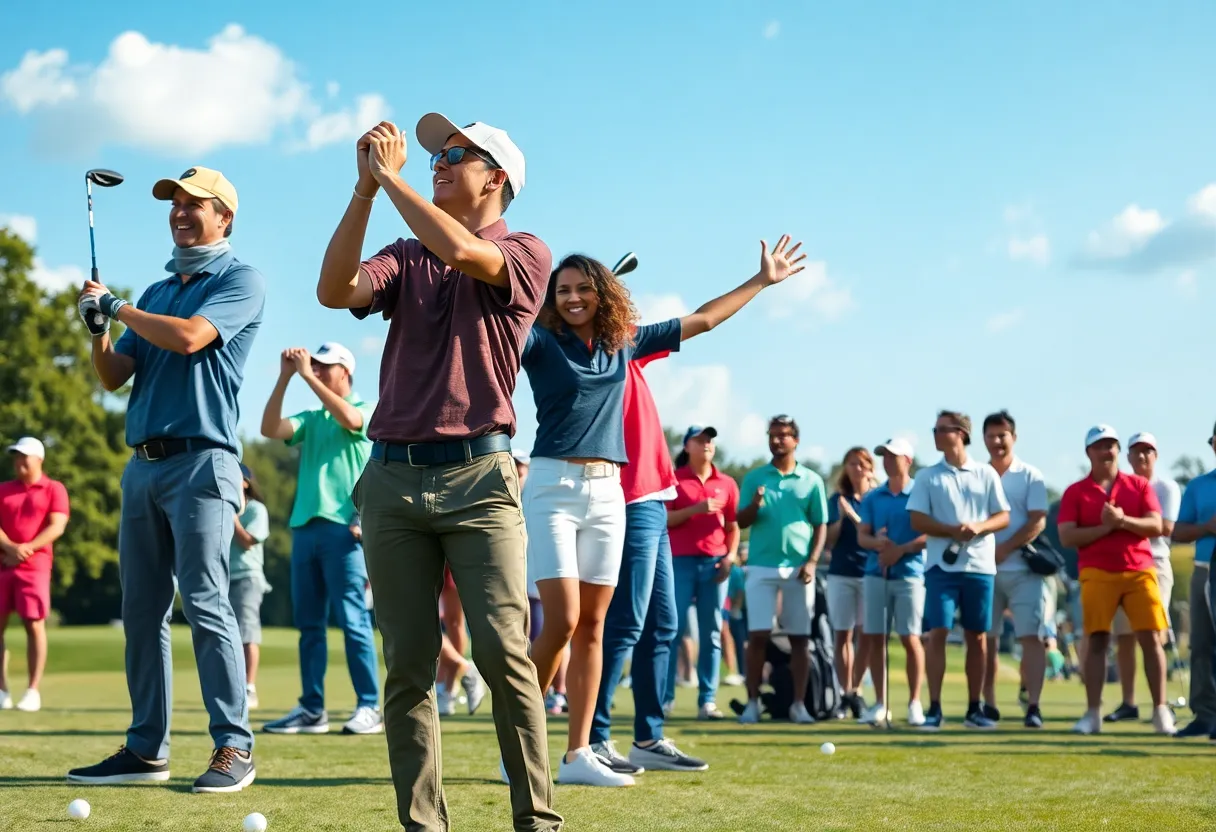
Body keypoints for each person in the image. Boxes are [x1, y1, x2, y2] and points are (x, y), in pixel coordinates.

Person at [315, 113, 561, 831]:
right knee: (408, 667)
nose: (439, 162)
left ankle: (536, 820)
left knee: (502, 653)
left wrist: (388, 176)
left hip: (479, 481)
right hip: (391, 479)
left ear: (499, 178)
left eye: (458, 154)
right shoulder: (405, 250)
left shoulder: (526, 249)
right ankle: (424, 825)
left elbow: (462, 250)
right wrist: (364, 192)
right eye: (435, 156)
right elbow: (336, 290)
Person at [522, 238, 804, 786]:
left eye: (583, 288)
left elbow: (702, 320)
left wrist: (760, 281)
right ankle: (520, 740)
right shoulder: (538, 340)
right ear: (550, 299)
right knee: (561, 620)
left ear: (603, 294)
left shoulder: (624, 343)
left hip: (610, 493)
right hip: (553, 485)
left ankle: (579, 754)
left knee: (596, 626)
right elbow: (493, 325)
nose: (574, 298)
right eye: (563, 291)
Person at [70, 166, 263, 792]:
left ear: (225, 217)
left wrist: (117, 306)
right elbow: (112, 376)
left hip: (203, 463)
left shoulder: (240, 280)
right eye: (174, 204)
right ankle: (145, 748)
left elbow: (188, 340)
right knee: (142, 610)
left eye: (195, 204)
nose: (180, 212)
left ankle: (234, 747)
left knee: (205, 600)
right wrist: (100, 330)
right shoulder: (154, 293)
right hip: (143, 467)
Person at [591, 353, 708, 777]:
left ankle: (648, 739)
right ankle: (595, 737)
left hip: (657, 500)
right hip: (629, 500)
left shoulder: (627, 350)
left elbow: (697, 323)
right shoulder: (595, 355)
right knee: (627, 623)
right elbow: (702, 321)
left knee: (663, 624)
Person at [260, 342, 382, 736]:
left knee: (352, 620)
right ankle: (312, 709)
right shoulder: (312, 418)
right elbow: (269, 428)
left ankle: (369, 706)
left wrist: (306, 376)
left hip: (345, 530)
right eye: (315, 365)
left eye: (324, 366)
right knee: (309, 625)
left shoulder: (367, 408)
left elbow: (348, 419)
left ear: (345, 372)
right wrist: (284, 377)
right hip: (305, 528)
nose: (315, 370)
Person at [1057, 425, 1175, 735]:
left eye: (1111, 445)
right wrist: (1105, 528)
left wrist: (1122, 520)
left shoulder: (1138, 485)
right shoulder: (1075, 491)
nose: (1107, 451)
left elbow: (1155, 525)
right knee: (1097, 640)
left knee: (1151, 638)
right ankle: (1093, 713)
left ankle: (1161, 711)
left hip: (1139, 569)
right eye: (1100, 446)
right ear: (1089, 452)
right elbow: (1067, 536)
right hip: (1096, 571)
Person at [907, 410, 1010, 731]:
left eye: (941, 429)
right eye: (935, 429)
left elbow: (1002, 516)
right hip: (940, 568)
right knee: (936, 633)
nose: (935, 434)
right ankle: (935, 708)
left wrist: (978, 527)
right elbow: (917, 520)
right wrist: (952, 529)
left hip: (979, 567)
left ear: (961, 433)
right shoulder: (927, 476)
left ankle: (973, 709)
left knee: (977, 637)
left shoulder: (985, 473)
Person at [736, 415, 829, 726]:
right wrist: (755, 503)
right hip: (761, 566)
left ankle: (799, 705)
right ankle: (751, 702)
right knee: (758, 636)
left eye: (784, 436)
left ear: (795, 440)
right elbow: (742, 521)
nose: (777, 441)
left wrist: (813, 561)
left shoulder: (812, 479)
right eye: (772, 435)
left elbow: (820, 525)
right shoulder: (755, 477)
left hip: (799, 568)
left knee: (800, 639)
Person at [979, 411, 1051, 729]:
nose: (997, 441)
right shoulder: (976, 474)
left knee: (1031, 637)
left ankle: (1033, 706)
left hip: (1024, 570)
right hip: (982, 570)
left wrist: (1005, 549)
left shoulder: (1030, 474)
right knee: (984, 639)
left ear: (1014, 437)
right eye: (991, 436)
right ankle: (988, 704)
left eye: (1002, 435)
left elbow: (1038, 519)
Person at [665, 425, 741, 721]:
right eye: (700, 440)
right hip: (680, 562)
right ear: (687, 447)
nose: (707, 444)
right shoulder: (674, 479)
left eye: (710, 440)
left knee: (711, 633)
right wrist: (696, 509)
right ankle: (665, 698)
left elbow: (733, 527)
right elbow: (667, 518)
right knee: (673, 630)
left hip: (715, 564)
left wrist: (730, 557)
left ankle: (707, 701)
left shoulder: (727, 483)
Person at [1104, 432, 1180, 724]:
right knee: (1123, 637)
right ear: (1128, 456)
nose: (1142, 457)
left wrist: (1123, 522)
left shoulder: (1166, 487)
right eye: (1136, 452)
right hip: (1123, 565)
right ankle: (1128, 702)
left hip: (1156, 565)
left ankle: (1159, 705)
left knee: (1152, 635)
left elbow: (1165, 527)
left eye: (1148, 451)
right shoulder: (1120, 486)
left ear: (1156, 456)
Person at [856, 438, 927, 727]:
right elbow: (863, 536)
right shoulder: (873, 497)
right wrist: (879, 544)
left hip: (910, 574)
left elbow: (929, 535)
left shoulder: (921, 494)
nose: (886, 461)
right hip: (876, 573)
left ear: (908, 460)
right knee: (875, 637)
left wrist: (900, 549)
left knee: (910, 638)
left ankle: (914, 703)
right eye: (884, 456)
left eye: (893, 456)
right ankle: (881, 703)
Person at [0, 437, 69, 713]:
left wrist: (27, 548)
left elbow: (57, 525)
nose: (19, 462)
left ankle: (32, 691)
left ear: (39, 459)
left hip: (36, 566)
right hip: (3, 563)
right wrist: (10, 547)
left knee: (34, 625)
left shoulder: (54, 488)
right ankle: (2, 689)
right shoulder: (3, 489)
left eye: (24, 457)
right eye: (16, 456)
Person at [1170, 420, 1216, 739]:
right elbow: (1179, 531)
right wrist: (1207, 527)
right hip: (1204, 570)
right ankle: (1206, 715)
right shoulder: (1199, 485)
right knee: (1200, 644)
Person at [824, 446, 876, 718]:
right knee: (842, 634)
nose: (857, 469)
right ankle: (845, 693)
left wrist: (854, 517)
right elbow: (829, 541)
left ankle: (857, 690)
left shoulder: (877, 498)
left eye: (862, 464)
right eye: (852, 464)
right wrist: (841, 518)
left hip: (869, 573)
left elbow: (875, 534)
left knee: (867, 634)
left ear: (870, 467)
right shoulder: (837, 500)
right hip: (841, 572)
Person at [230, 463, 270, 710]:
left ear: (246, 483)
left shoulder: (256, 510)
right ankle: (232, 687)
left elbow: (247, 541)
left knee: (247, 633)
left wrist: (231, 516)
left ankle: (249, 687)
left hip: (247, 577)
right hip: (223, 577)